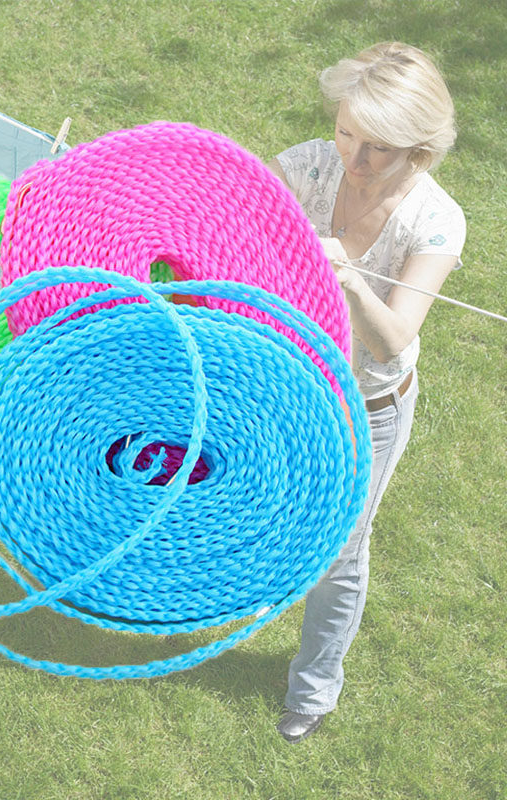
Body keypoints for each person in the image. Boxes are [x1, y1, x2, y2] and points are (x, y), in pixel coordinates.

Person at [265, 42, 466, 743]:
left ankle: (313, 690)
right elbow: (229, 231)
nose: (353, 158)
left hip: (367, 407)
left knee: (339, 552)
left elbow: (393, 341)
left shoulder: (436, 221)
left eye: (378, 147)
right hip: (287, 383)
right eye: (347, 132)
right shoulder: (306, 166)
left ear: (420, 151)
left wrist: (349, 279)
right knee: (259, 500)